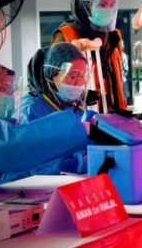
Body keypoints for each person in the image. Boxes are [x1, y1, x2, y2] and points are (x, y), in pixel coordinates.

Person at [0, 61, 90, 192]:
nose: (10, 97)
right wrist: (81, 129)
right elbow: (7, 145)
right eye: (4, 89)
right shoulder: (32, 106)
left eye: (12, 90)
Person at [19, 42, 95, 175]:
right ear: (51, 75)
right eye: (72, 76)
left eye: (82, 75)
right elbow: (40, 162)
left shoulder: (76, 105)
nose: (78, 83)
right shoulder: (31, 110)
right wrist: (84, 163)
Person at [51, 0, 127, 113]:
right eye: (102, 4)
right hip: (79, 114)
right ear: (85, 6)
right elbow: (52, 79)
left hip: (112, 112)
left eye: (111, 5)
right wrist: (79, 96)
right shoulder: (65, 36)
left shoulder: (113, 37)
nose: (108, 10)